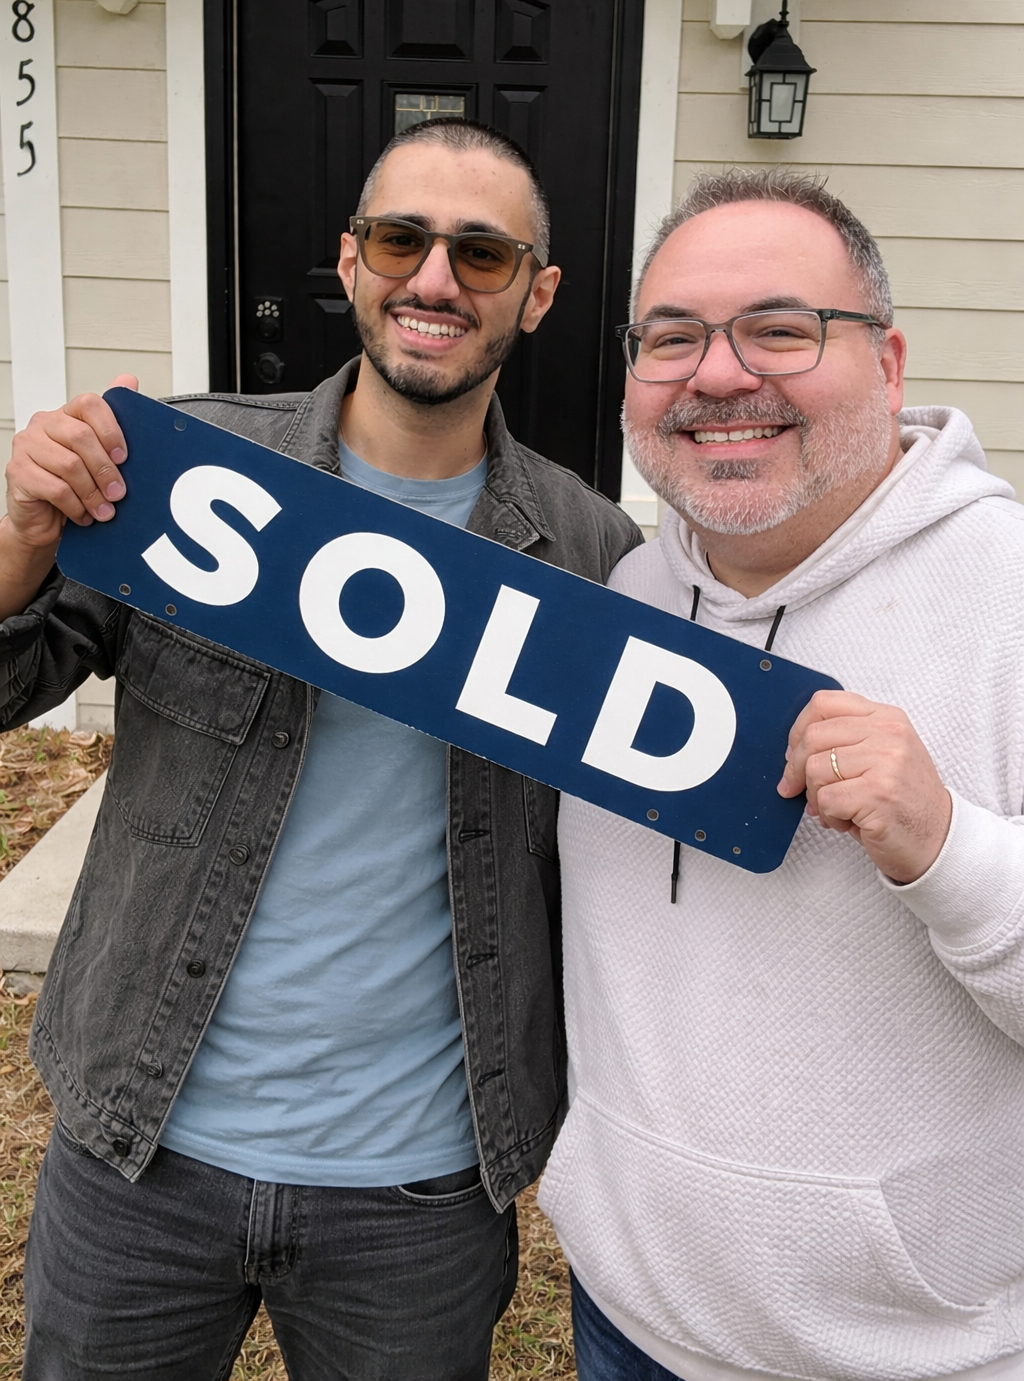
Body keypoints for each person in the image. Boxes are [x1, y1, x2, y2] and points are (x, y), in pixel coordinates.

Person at [0, 117, 642, 1380]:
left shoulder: (595, 555)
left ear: (540, 291)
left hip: (418, 1192)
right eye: (402, 239)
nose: (436, 280)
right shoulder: (182, 474)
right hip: (140, 1148)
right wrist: (21, 537)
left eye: (483, 253)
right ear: (350, 262)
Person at [540, 168, 1024, 1381]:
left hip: (913, 1353)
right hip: (628, 1315)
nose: (718, 375)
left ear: (888, 361)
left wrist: (951, 848)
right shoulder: (628, 595)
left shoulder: (1007, 596)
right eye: (673, 339)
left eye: (779, 329)